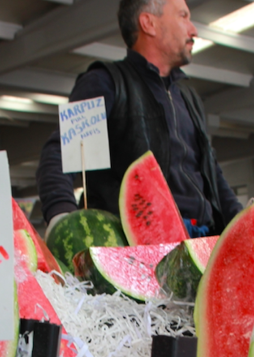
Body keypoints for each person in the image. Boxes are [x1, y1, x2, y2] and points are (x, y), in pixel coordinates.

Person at [35, 0, 242, 239]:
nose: (193, 29)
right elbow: (61, 153)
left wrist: (242, 220)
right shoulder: (105, 82)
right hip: (136, 242)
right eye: (183, 16)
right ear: (148, 23)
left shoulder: (188, 97)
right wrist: (62, 218)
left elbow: (213, 173)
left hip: (204, 237)